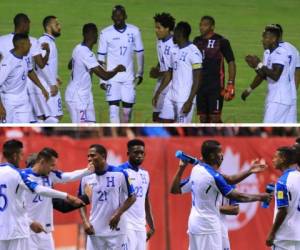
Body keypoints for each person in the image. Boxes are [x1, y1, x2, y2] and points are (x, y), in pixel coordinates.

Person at [170, 140, 271, 250]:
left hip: (194, 225)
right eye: (220, 152)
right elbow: (237, 196)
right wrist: (260, 197)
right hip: (208, 227)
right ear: (212, 156)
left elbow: (175, 190)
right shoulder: (213, 177)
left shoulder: (197, 170)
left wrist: (181, 168)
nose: (222, 155)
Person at [0, 139, 84, 250]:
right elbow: (38, 189)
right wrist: (66, 196)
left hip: (9, 230)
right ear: (15, 156)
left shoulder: (47, 175)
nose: (22, 158)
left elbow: (68, 176)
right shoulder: (20, 175)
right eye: (21, 155)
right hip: (19, 230)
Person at [22, 147, 95, 250]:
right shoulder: (22, 176)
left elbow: (68, 176)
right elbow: (40, 190)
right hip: (28, 231)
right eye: (51, 165)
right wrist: (67, 196)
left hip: (46, 232)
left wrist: (87, 171)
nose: (53, 168)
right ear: (42, 162)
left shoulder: (50, 175)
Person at [79, 144, 136, 250]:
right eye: (88, 156)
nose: (89, 159)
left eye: (93, 155)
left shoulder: (120, 173)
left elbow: (132, 197)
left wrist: (118, 214)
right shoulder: (85, 177)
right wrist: (85, 222)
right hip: (95, 230)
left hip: (117, 230)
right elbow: (79, 202)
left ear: (103, 156)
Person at [65, 23, 126, 123]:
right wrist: (117, 69)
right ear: (90, 34)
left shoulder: (78, 48)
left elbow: (70, 65)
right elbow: (105, 76)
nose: (97, 36)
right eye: (95, 33)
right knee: (82, 129)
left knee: (91, 125)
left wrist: (93, 63)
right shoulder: (86, 53)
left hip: (86, 96)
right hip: (77, 98)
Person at [0, 13, 53, 123]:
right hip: (8, 99)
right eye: (29, 44)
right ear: (22, 45)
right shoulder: (7, 63)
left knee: (26, 126)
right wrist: (0, 107)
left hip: (23, 98)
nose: (30, 45)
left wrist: (42, 88)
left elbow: (30, 71)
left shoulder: (25, 56)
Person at [242, 24, 300, 123]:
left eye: (265, 37)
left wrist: (259, 64)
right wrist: (256, 66)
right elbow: (268, 75)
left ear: (274, 38)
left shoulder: (279, 52)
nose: (262, 40)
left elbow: (275, 76)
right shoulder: (291, 49)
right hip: (288, 97)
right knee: (287, 132)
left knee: (267, 128)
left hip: (278, 98)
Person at [98, 5, 144, 123]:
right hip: (111, 77)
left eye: (120, 15)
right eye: (115, 16)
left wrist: (140, 72)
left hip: (129, 78)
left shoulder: (134, 31)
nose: (118, 18)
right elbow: (101, 57)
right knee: (113, 112)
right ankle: (115, 138)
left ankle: (123, 134)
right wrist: (102, 80)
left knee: (126, 114)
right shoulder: (105, 33)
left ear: (125, 16)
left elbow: (139, 53)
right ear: (112, 17)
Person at [153, 21, 202, 123]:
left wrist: (189, 101)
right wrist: (158, 92)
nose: (172, 35)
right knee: (162, 122)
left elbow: (198, 79)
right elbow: (169, 73)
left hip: (184, 98)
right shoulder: (173, 50)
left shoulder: (194, 52)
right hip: (171, 95)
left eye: (174, 33)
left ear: (180, 34)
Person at [193, 16, 236, 123]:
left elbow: (231, 62)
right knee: (203, 119)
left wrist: (230, 84)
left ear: (212, 27)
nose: (201, 27)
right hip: (200, 86)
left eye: (205, 25)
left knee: (215, 118)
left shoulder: (221, 41)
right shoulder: (196, 41)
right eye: (200, 25)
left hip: (216, 87)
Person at [119, 139, 155, 250]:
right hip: (126, 225)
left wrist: (152, 226)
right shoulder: (119, 172)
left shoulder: (145, 174)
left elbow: (145, 200)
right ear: (128, 154)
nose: (139, 155)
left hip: (141, 226)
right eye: (136, 153)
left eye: (142, 153)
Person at [266, 147, 300, 249]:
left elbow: (283, 211)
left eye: (276, 157)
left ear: (283, 159)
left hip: (284, 237)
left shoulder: (282, 182)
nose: (273, 160)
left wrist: (271, 233)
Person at [35, 15, 63, 123]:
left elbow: (47, 63)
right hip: (47, 86)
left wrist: (55, 76)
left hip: (48, 84)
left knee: (47, 117)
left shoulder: (50, 41)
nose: (59, 27)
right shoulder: (44, 41)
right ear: (48, 27)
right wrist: (52, 83)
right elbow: (40, 64)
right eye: (56, 24)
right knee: (54, 117)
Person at [150, 12, 176, 122]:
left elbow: (174, 70)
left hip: (171, 83)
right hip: (161, 81)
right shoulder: (159, 41)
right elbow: (162, 60)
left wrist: (158, 74)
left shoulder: (175, 44)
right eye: (155, 27)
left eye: (159, 28)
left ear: (167, 28)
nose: (156, 30)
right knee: (156, 115)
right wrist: (157, 68)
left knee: (168, 118)